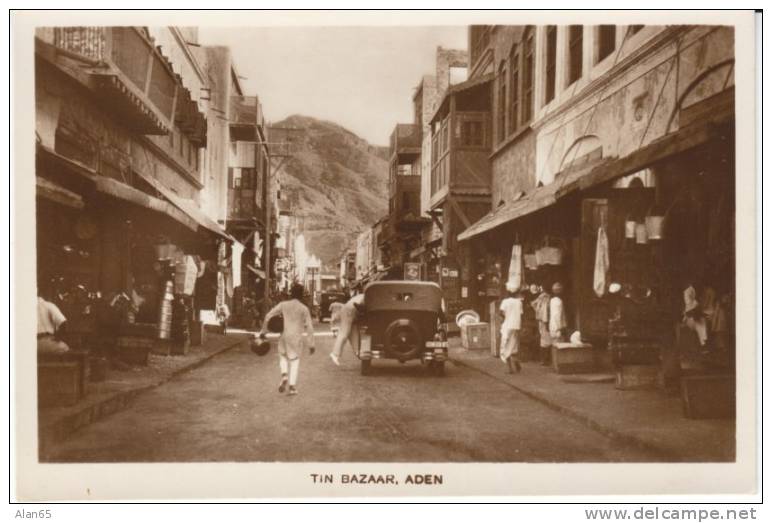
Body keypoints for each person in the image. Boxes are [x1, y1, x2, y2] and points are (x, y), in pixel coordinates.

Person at [257, 283, 315, 396]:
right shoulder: (304, 309)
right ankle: (292, 387)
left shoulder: (283, 304)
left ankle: (284, 374)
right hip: (296, 337)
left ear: (291, 293)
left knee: (282, 356)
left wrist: (263, 332)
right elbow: (310, 327)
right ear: (301, 295)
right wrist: (311, 344)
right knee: (295, 361)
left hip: (284, 335)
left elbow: (268, 316)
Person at [329, 289, 364, 366]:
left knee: (353, 332)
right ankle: (335, 353)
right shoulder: (366, 297)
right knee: (344, 333)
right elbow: (359, 306)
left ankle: (358, 351)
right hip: (350, 310)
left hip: (350, 310)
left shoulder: (362, 295)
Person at [499, 284, 523, 374]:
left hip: (507, 326)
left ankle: (510, 369)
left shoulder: (505, 301)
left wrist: (505, 317)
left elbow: (500, 313)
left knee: (505, 346)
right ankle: (516, 362)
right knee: (514, 345)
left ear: (508, 292)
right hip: (516, 326)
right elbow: (521, 315)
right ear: (516, 293)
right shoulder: (519, 302)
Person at [531, 285, 552, 366]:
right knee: (547, 339)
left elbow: (533, 304)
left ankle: (544, 360)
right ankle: (546, 360)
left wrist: (537, 311)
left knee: (543, 339)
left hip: (541, 320)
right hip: (546, 320)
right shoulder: (547, 297)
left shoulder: (541, 297)